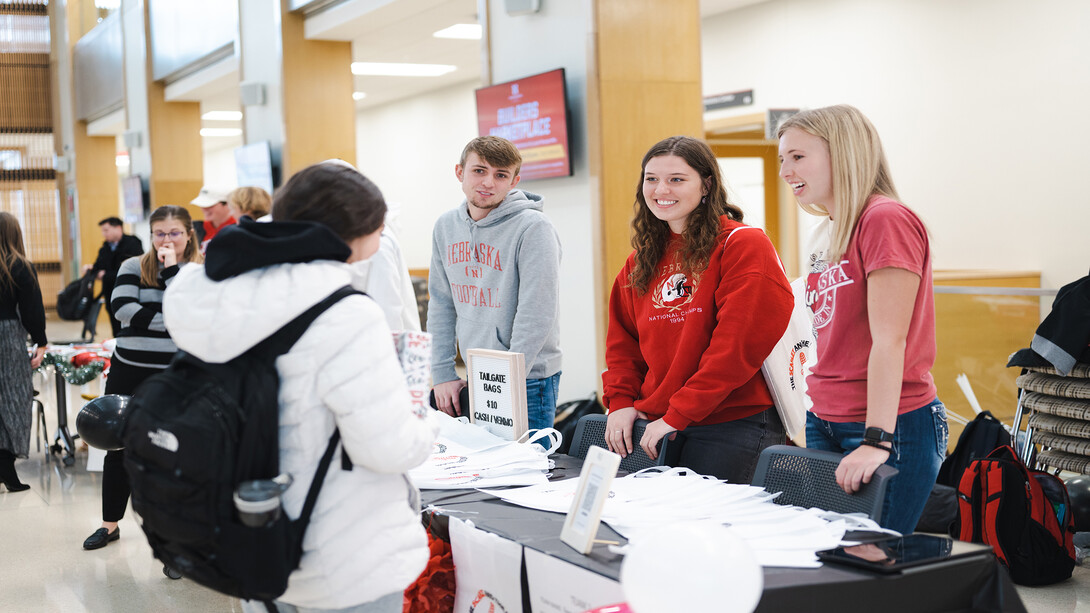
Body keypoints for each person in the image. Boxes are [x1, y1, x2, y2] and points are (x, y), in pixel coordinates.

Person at [162, 162, 438, 612]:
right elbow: (387, 448)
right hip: (341, 550)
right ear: (352, 231)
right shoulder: (344, 314)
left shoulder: (220, 297)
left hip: (252, 531)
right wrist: (427, 428)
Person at [777, 105, 947, 534]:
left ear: (844, 153)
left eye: (798, 157)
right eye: (783, 158)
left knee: (870, 563)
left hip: (888, 425)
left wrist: (877, 439)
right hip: (826, 419)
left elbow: (891, 341)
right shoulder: (829, 230)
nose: (785, 170)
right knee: (836, 560)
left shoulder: (885, 219)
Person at [602, 136, 793, 484]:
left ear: (706, 184)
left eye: (677, 179)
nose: (662, 189)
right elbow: (623, 345)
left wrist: (679, 414)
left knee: (714, 532)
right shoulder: (640, 261)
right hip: (657, 423)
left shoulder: (743, 244)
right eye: (651, 178)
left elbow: (735, 348)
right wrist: (620, 402)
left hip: (731, 424)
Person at [83, 206, 202, 551]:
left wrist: (171, 272)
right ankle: (109, 524)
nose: (167, 239)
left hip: (177, 373)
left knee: (173, 450)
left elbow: (196, 312)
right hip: (129, 368)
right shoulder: (132, 265)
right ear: (150, 235)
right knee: (117, 444)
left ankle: (173, 536)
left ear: (188, 234)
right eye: (160, 233)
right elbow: (122, 309)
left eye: (175, 232)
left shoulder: (198, 271)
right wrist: (173, 319)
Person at [427, 136, 562, 430]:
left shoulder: (533, 227)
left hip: (526, 378)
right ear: (460, 172)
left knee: (526, 472)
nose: (488, 182)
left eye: (500, 175)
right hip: (475, 376)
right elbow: (441, 304)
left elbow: (536, 313)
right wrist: (442, 373)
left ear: (514, 181)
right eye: (479, 171)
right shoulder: (446, 226)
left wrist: (507, 379)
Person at [0, 212, 47, 493]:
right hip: (6, 336)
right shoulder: (19, 266)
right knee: (15, 399)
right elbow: (32, 310)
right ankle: (7, 468)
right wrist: (40, 342)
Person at [83, 217, 144, 337]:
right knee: (114, 320)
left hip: (130, 290)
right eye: (102, 231)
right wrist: (91, 269)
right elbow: (98, 265)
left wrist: (106, 275)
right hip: (110, 291)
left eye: (106, 230)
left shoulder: (132, 243)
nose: (103, 234)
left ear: (118, 228)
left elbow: (134, 269)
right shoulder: (106, 246)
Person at [191, 185, 237, 253]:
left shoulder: (240, 230)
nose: (204, 209)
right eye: (202, 205)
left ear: (228, 204)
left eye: (210, 205)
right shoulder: (195, 228)